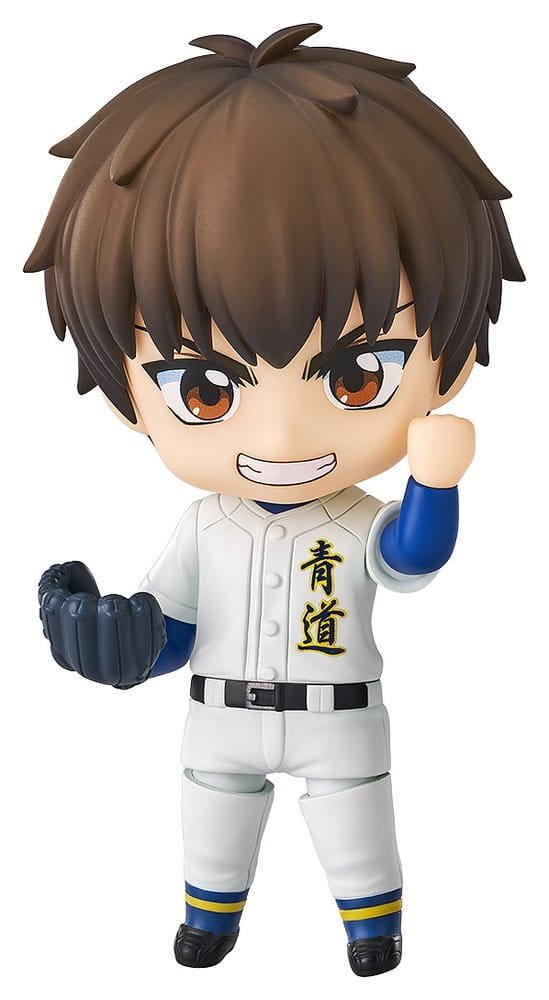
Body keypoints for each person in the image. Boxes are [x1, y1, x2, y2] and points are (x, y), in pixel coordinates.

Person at [25, 22, 524, 977]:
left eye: (356, 375)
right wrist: (122, 647)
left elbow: (409, 558)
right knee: (210, 817)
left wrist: (433, 481)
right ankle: (209, 920)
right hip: (219, 712)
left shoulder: (355, 515)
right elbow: (175, 625)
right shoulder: (203, 522)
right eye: (205, 388)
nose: (284, 438)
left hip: (340, 713)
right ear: (128, 397)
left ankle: (371, 929)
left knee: (356, 825)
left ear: (449, 364)